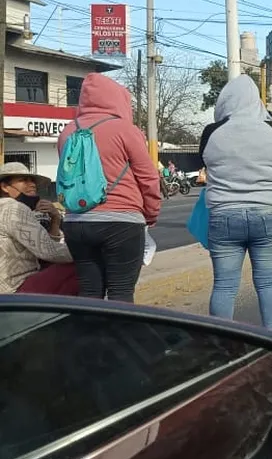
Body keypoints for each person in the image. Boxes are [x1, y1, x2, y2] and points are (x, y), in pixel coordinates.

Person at [199, 75, 272, 332]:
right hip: (268, 215)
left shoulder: (212, 132)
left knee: (224, 285)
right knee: (268, 283)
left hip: (224, 216)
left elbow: (206, 162)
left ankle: (220, 345)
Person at [56, 73, 162, 302]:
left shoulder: (67, 132)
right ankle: (117, 338)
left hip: (76, 223)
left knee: (89, 292)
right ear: (117, 99)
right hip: (121, 222)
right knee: (121, 292)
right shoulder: (125, 129)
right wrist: (151, 214)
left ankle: (88, 337)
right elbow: (148, 178)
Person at [0, 163, 78, 296]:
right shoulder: (14, 208)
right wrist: (88, 250)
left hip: (10, 286)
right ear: (5, 187)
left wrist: (55, 220)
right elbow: (49, 251)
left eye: (32, 181)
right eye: (23, 180)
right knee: (85, 264)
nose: (32, 184)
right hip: (15, 288)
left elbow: (44, 249)